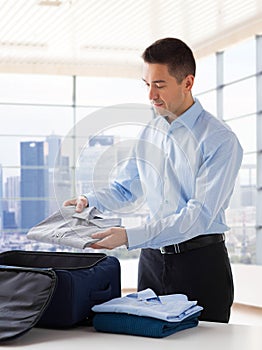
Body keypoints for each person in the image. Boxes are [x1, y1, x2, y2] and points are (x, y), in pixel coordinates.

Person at [64, 38, 243, 323]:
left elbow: (198, 216)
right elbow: (126, 188)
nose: (151, 95)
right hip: (151, 261)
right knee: (148, 337)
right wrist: (90, 200)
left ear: (187, 83)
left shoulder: (220, 140)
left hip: (200, 263)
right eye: (146, 84)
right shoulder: (150, 132)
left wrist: (129, 236)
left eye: (159, 85)